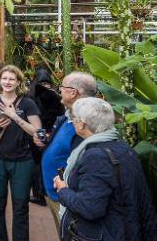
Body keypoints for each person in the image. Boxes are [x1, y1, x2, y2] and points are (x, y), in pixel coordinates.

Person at [53, 98, 157, 241]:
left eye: (73, 118)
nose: (71, 121)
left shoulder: (97, 157)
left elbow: (90, 208)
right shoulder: (121, 147)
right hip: (125, 229)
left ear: (81, 124)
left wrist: (63, 190)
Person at [0, 65, 43, 241]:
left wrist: (14, 116)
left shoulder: (27, 103)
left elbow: (37, 132)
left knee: (20, 207)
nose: (7, 82)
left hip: (22, 161)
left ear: (18, 82)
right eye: (4, 78)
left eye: (11, 79)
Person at [37, 72, 96, 228]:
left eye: (61, 87)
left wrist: (68, 194)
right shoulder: (69, 115)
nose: (59, 90)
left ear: (73, 92)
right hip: (56, 193)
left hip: (68, 199)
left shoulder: (87, 123)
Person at [27, 67, 64, 206]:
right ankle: (49, 191)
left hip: (35, 134)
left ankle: (38, 194)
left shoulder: (31, 93)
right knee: (48, 162)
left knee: (36, 164)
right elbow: (60, 114)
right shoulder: (55, 95)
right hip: (52, 134)